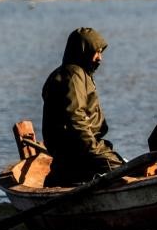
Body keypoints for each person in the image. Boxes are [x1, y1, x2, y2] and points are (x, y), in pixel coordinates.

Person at [41, 27, 124, 186]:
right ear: (84, 51)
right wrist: (93, 150)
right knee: (121, 171)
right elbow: (75, 118)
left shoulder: (78, 74)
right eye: (96, 52)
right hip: (78, 150)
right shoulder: (73, 76)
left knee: (123, 165)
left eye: (101, 52)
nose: (100, 58)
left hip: (82, 148)